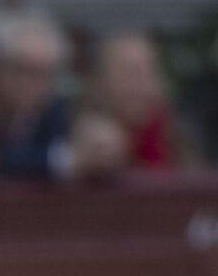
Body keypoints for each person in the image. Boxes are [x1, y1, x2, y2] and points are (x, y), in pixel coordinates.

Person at [69, 31, 192, 176]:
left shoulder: (178, 137)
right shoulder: (76, 138)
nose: (140, 83)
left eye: (148, 72)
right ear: (101, 81)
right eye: (128, 72)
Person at [0, 10, 79, 181]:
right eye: (23, 70)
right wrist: (61, 159)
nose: (32, 84)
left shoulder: (57, 114)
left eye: (45, 74)